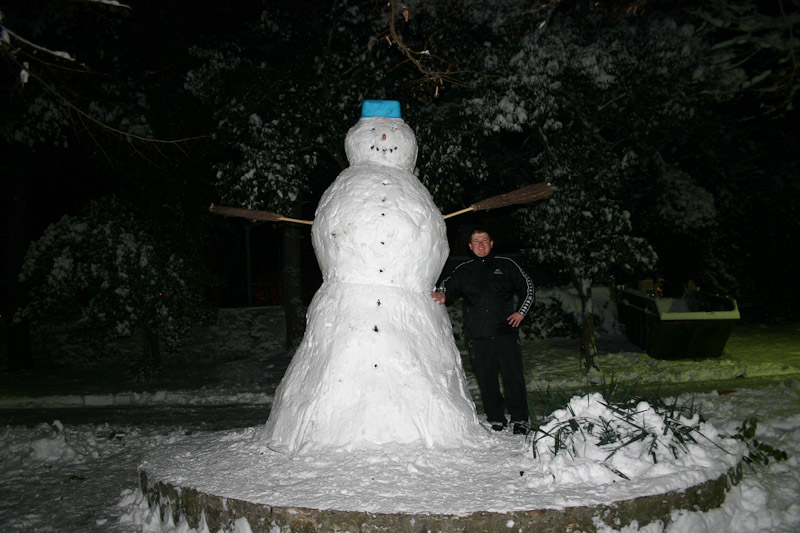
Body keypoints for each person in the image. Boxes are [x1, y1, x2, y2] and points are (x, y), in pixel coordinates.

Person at [431, 228, 534, 434]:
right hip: (478, 335)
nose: (480, 244)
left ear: (491, 243)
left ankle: (519, 419)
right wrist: (442, 294)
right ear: (470, 246)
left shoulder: (506, 265)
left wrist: (521, 313)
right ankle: (495, 418)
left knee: (513, 377)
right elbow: (446, 285)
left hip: (506, 332)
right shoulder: (463, 269)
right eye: (476, 241)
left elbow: (528, 287)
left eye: (484, 240)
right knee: (486, 379)